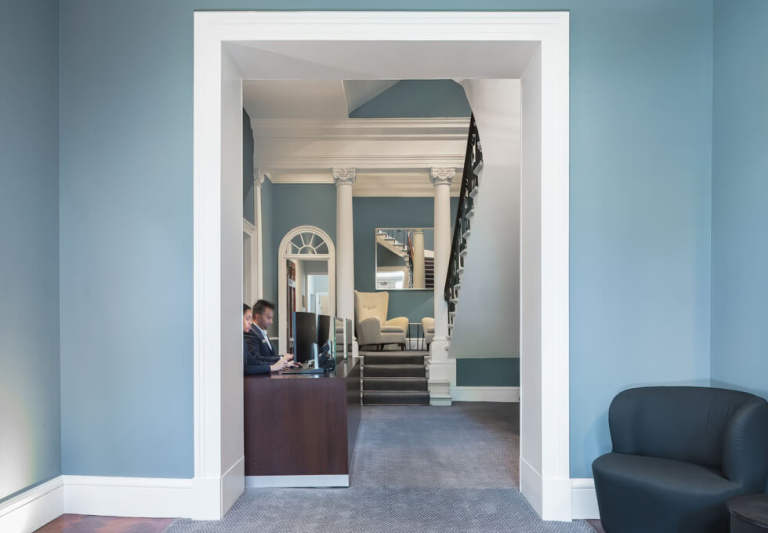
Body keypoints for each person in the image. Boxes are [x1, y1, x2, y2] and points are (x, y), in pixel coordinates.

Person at [243, 303, 291, 375]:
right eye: (247, 319)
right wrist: (273, 366)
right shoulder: (249, 333)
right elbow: (247, 367)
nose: (250, 322)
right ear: (258, 317)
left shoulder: (260, 332)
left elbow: (253, 362)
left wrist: (282, 363)